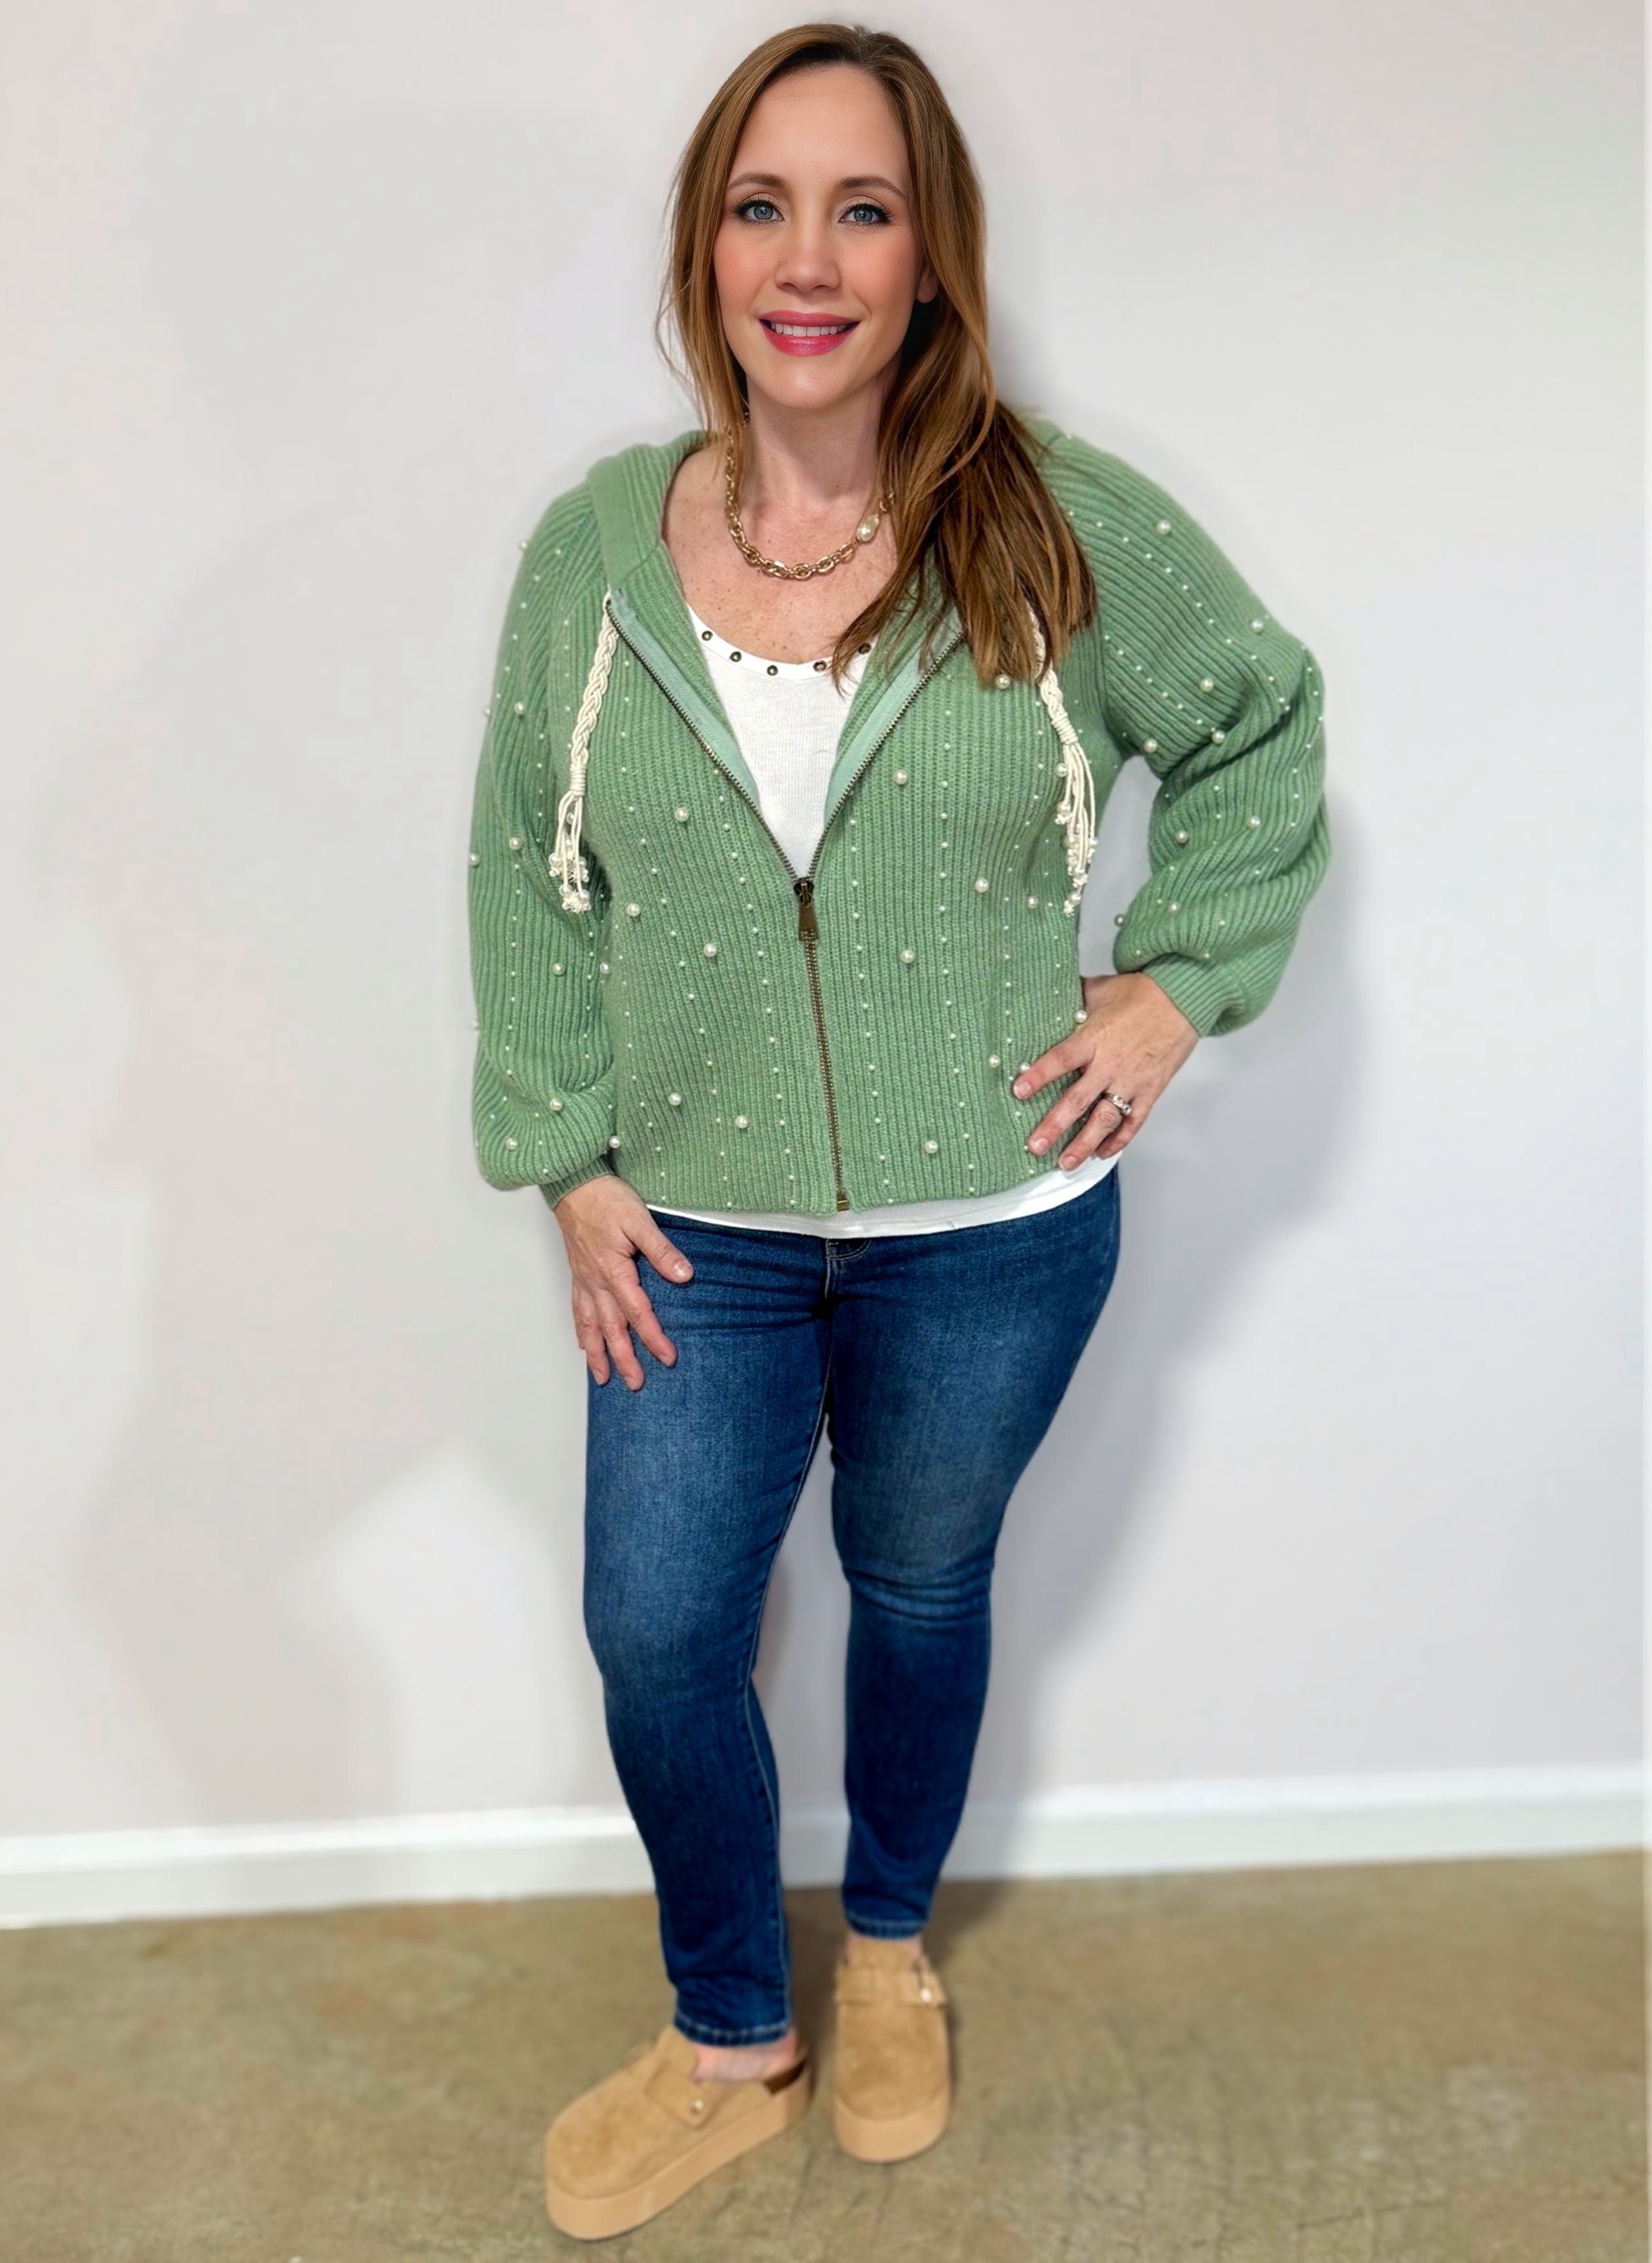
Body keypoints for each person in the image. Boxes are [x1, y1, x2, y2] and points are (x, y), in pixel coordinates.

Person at [465, 21, 1329, 2240]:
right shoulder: (595, 549)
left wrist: (1178, 982)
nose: (808, 259)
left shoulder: (1054, 521)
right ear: (704, 246)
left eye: (863, 209)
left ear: (931, 253)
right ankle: (726, 2028)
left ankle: (883, 1959)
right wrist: (565, 1155)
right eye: (761, 206)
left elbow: (1258, 725)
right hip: (694, 1230)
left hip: (997, 1223)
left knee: (918, 1586)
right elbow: (523, 864)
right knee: (662, 1631)